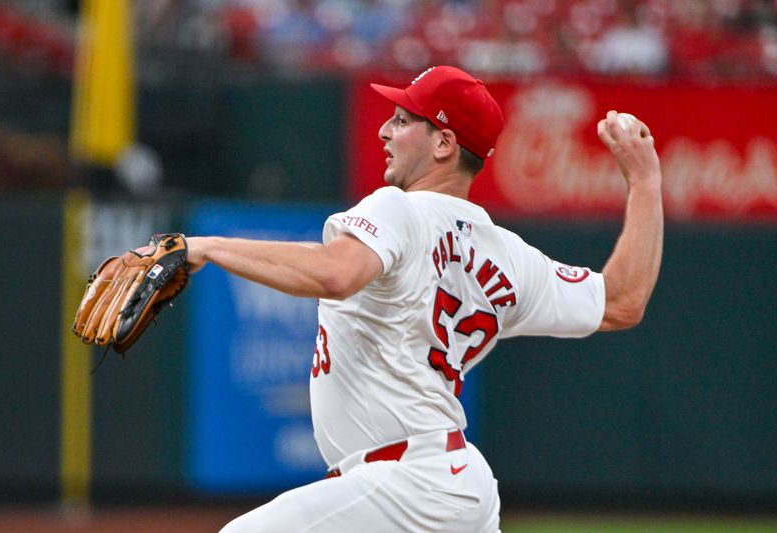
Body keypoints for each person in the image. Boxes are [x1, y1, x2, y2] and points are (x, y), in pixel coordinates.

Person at [186, 65, 663, 532]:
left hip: (405, 482)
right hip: (453, 481)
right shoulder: (511, 256)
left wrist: (207, 246)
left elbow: (337, 273)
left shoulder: (396, 208)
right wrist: (645, 183)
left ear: (443, 143)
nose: (383, 130)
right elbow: (622, 300)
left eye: (402, 120)